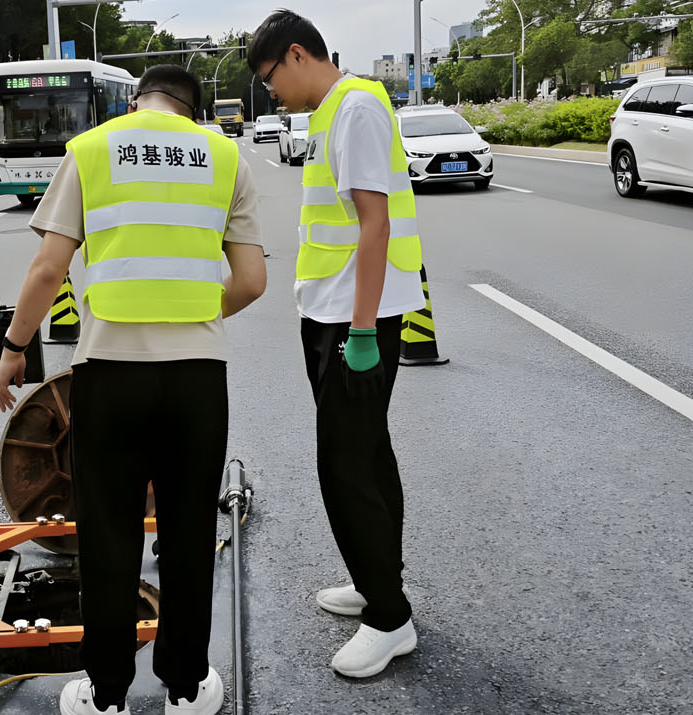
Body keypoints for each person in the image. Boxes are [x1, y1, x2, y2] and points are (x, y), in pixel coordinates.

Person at [0, 65, 267, 715]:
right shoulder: (226, 156)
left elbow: (47, 268)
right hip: (198, 376)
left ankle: (107, 694)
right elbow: (251, 280)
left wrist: (12, 347)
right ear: (193, 111)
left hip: (108, 373)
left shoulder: (91, 149)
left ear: (136, 99)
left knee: (109, 535)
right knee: (189, 529)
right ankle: (185, 686)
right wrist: (191, 313)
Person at [248, 9, 427, 678]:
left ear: (296, 55)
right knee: (368, 455)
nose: (272, 94)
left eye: (270, 79)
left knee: (344, 467)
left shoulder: (353, 108)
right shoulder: (333, 110)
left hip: (356, 321)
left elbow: (373, 223)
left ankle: (388, 617)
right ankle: (375, 578)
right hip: (333, 312)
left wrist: (358, 331)